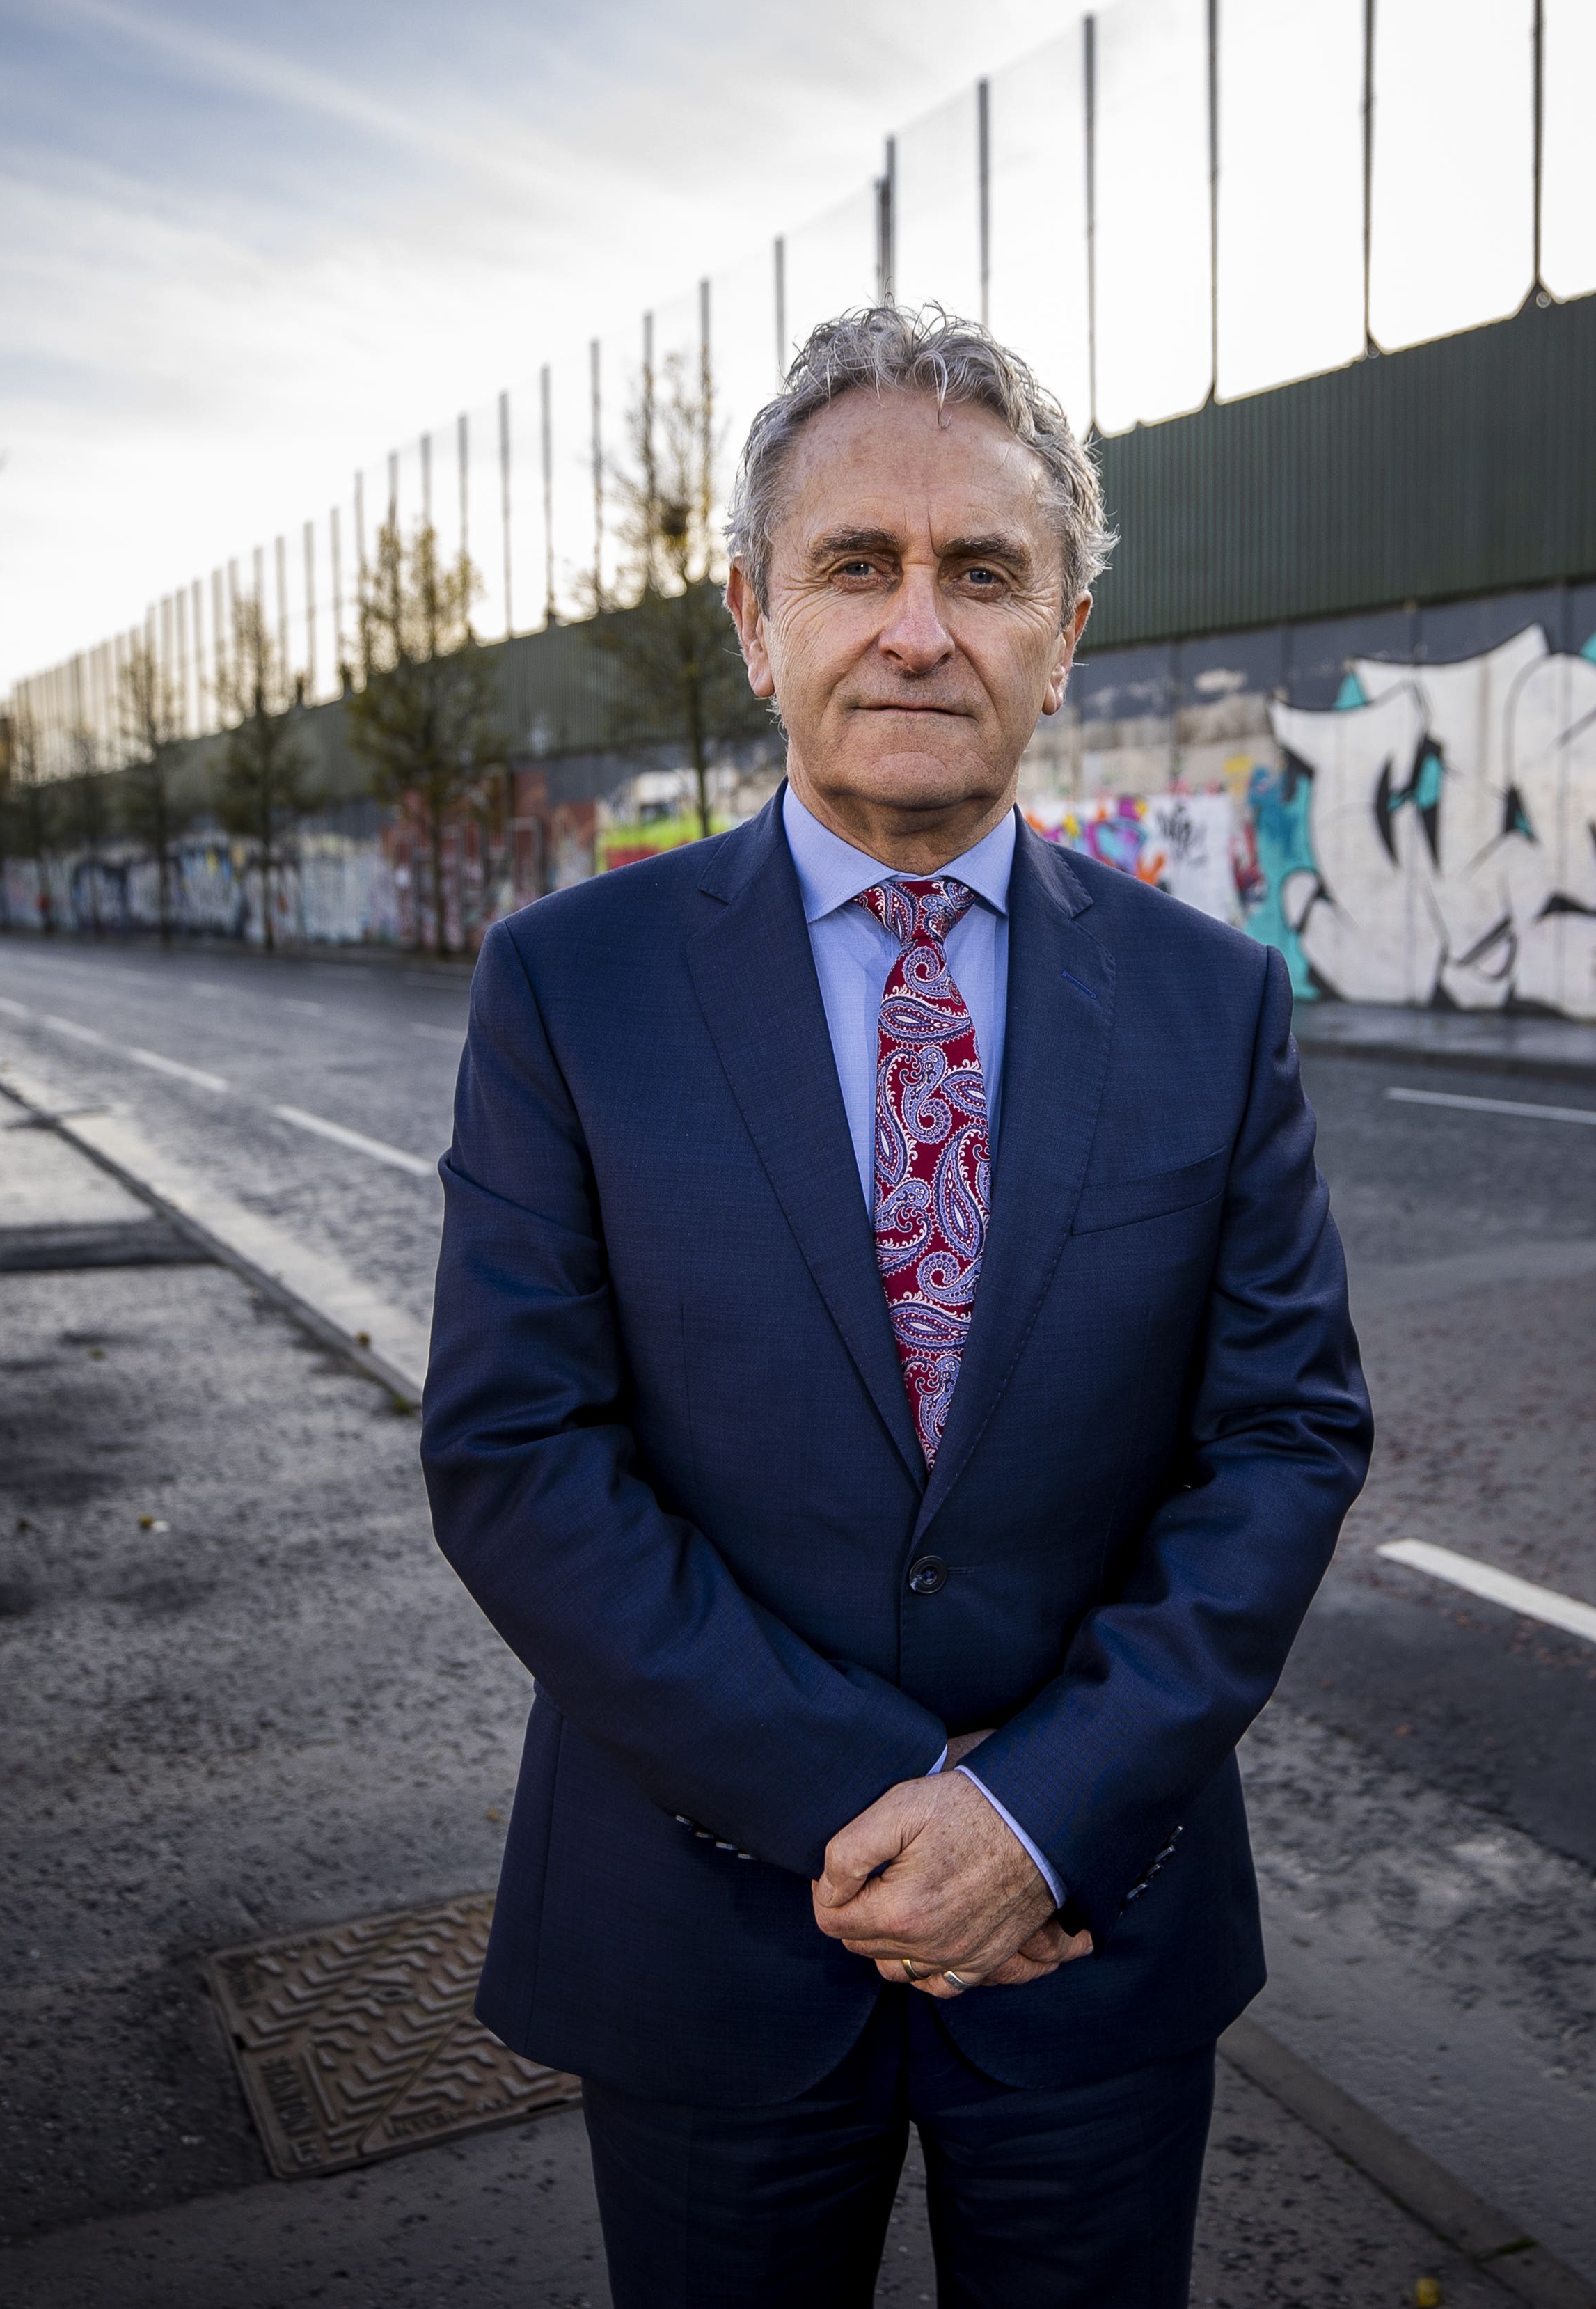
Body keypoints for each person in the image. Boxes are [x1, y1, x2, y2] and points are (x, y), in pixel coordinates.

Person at [423, 304, 1371, 2307]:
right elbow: (517, 1456)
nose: (918, 626)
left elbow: (1282, 1438)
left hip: (1091, 1930)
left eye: (984, 572)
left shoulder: (1214, 1009)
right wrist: (890, 1809)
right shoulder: (566, 987)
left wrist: (1031, 1816)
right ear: (758, 618)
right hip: (701, 1937)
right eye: (858, 563)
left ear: (1068, 631)